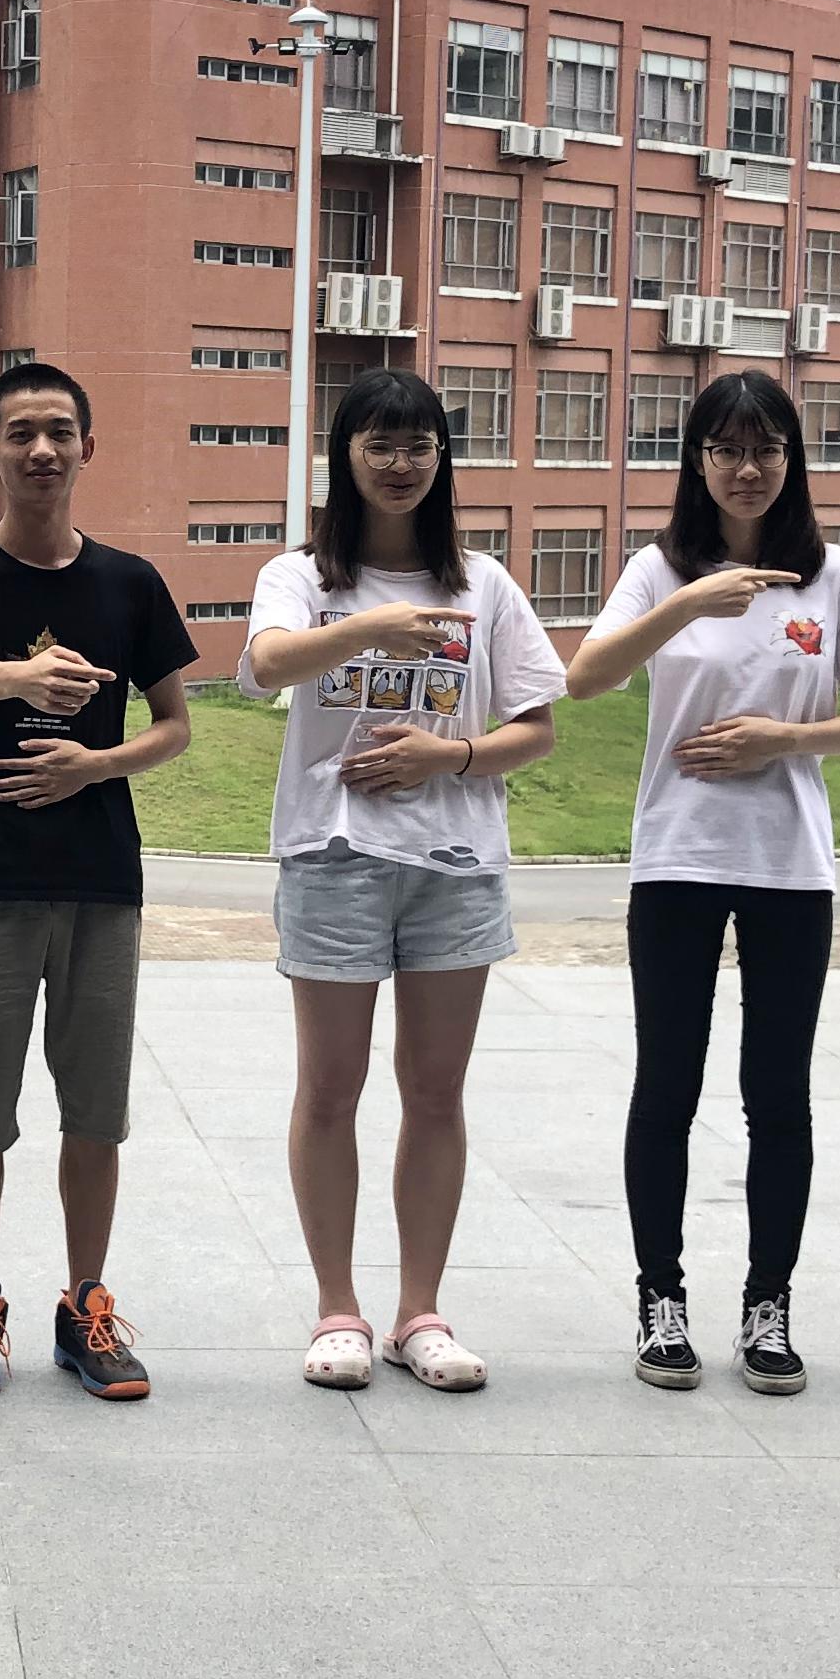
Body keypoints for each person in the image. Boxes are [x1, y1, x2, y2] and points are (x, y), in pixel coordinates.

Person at [561, 372, 840, 1395]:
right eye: (726, 450)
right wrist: (691, 601)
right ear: (696, 461)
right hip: (678, 856)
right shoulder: (659, 570)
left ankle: (767, 1306)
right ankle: (660, 1300)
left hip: (790, 865)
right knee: (667, 1085)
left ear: (792, 460)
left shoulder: (832, 577)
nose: (747, 470)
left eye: (767, 450)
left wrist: (779, 740)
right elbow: (585, 678)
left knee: (777, 1094)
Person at [239, 371, 562, 1393]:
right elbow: (267, 665)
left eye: (420, 445)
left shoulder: (483, 584)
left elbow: (536, 729)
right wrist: (369, 631)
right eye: (379, 443)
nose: (400, 463)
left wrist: (448, 756)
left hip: (454, 865)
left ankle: (420, 1312)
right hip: (333, 857)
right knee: (331, 1087)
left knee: (434, 1091)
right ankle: (337, 1308)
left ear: (442, 459)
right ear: (344, 456)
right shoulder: (301, 575)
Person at [0, 360, 196, 1401]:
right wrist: (24, 676)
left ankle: (87, 1308)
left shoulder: (130, 583)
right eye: (22, 434)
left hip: (99, 884)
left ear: (87, 448)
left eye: (60, 432)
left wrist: (94, 765)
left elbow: (174, 725)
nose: (42, 450)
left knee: (97, 1113)